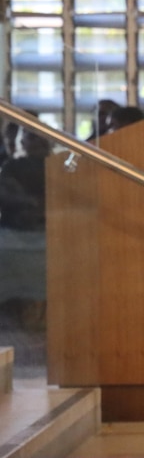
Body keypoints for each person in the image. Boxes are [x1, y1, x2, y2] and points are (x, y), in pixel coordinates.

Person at [0, 127, 52, 330]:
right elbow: (6, 195)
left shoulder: (60, 169)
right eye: (31, 138)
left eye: (40, 138)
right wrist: (31, 204)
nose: (36, 143)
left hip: (44, 236)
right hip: (16, 235)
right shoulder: (12, 168)